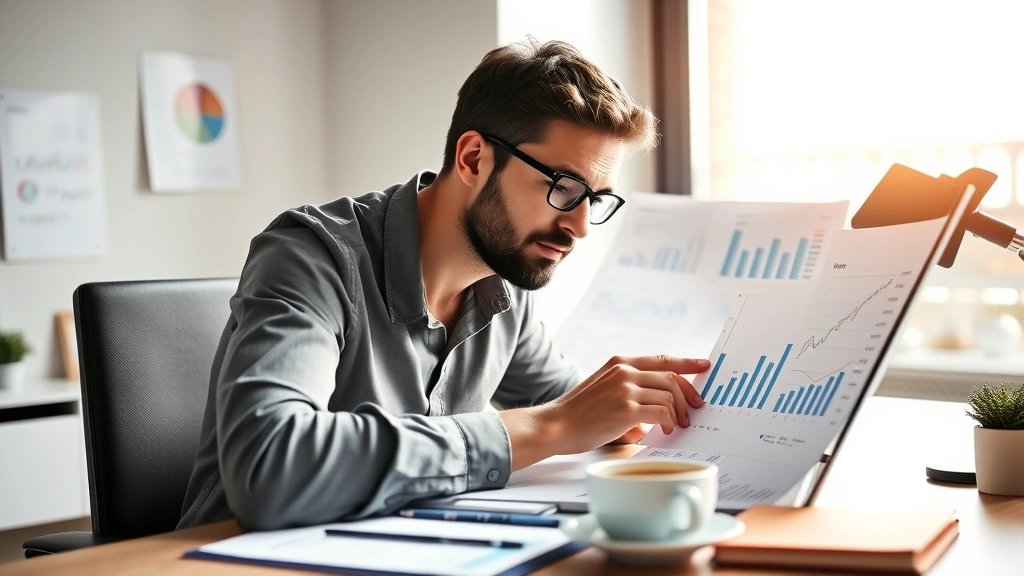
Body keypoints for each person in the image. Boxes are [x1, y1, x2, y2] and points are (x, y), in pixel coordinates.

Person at [177, 39, 709, 531]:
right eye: (564, 188)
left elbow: (571, 405)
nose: (580, 226)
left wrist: (630, 406)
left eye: (596, 199)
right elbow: (271, 465)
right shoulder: (310, 256)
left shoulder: (506, 284)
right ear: (474, 158)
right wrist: (551, 428)